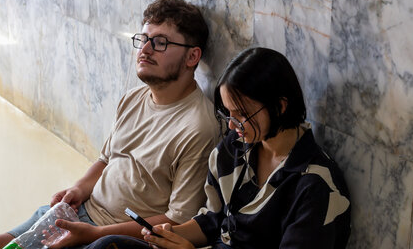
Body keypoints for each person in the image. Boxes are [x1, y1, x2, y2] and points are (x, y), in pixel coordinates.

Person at [0, 0, 220, 249]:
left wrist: (95, 234)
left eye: (160, 42)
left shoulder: (199, 127)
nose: (145, 50)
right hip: (83, 214)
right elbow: (105, 161)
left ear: (192, 56)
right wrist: (78, 189)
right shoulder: (133, 99)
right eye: (143, 39)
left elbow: (176, 220)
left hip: (119, 238)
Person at [85, 47, 351, 249]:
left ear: (280, 106)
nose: (234, 126)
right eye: (229, 114)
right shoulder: (235, 149)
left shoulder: (315, 185)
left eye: (243, 114)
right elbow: (213, 220)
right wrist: (170, 234)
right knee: (107, 245)